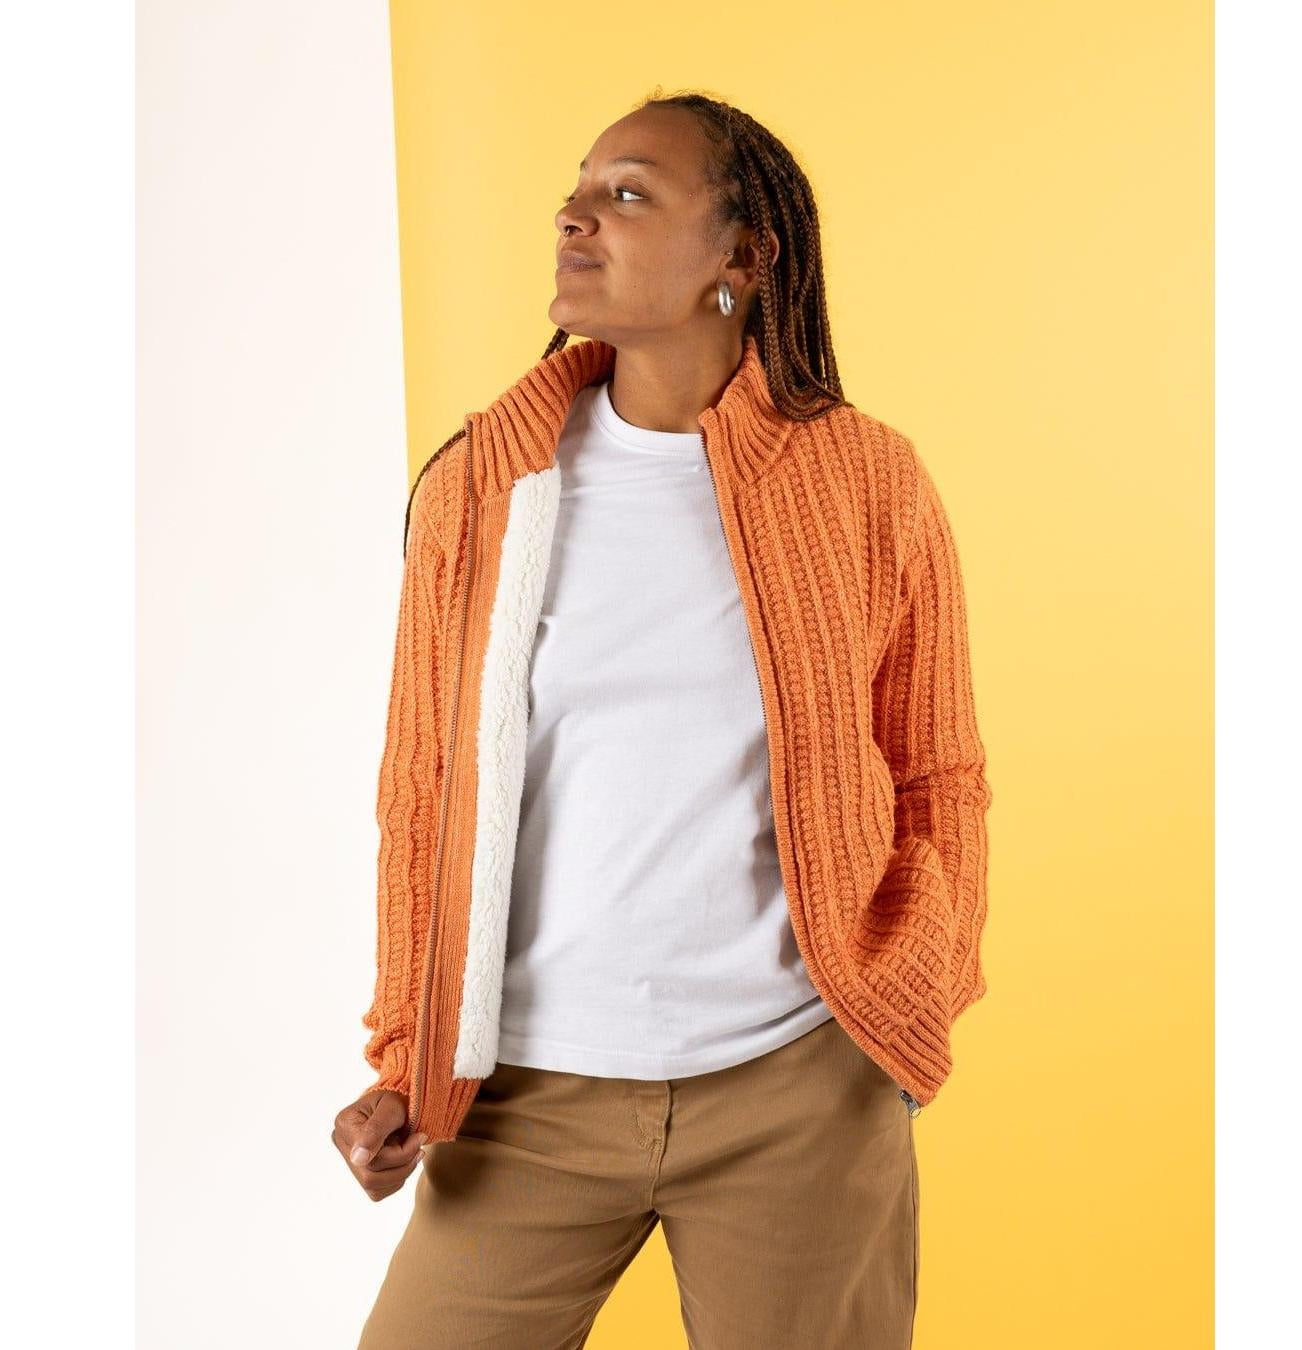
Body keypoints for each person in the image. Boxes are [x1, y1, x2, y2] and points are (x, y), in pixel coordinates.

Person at [333, 90, 993, 1349]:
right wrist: (407, 1061)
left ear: (742, 254)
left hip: (797, 1093)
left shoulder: (868, 483)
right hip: (528, 1092)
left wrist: (905, 1001)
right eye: (577, 191)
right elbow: (422, 792)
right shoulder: (481, 487)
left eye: (628, 193)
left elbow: (937, 773)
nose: (576, 216)